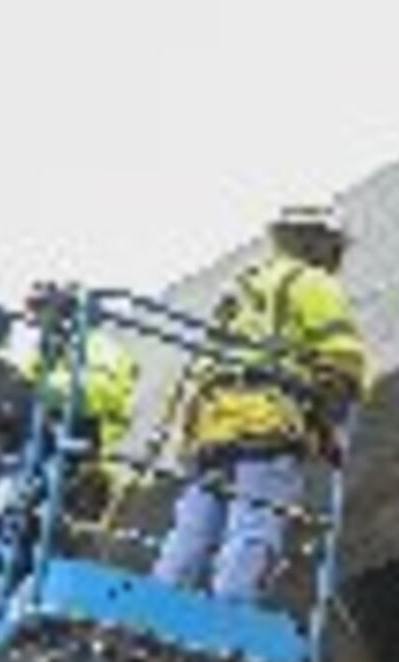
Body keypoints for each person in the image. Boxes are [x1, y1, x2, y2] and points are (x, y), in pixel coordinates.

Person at [158, 203, 369, 601]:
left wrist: (186, 439)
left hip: (211, 427)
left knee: (193, 531)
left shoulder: (240, 291)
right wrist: (329, 423)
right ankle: (230, 614)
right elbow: (342, 361)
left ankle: (157, 615)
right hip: (265, 421)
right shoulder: (311, 282)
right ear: (323, 243)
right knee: (255, 522)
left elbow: (197, 369)